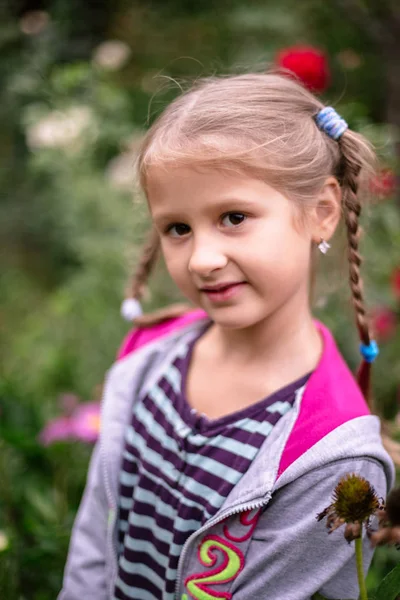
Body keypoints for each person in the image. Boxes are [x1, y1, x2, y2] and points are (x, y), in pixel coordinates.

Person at [58, 72, 395, 600]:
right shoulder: (150, 359)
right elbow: (94, 543)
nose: (202, 259)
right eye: (178, 228)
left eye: (233, 217)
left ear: (322, 213)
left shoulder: (331, 458)